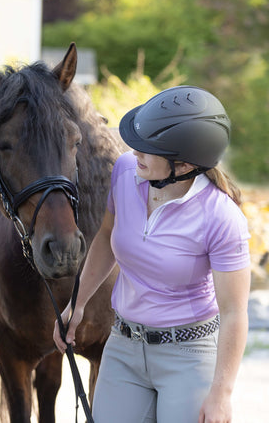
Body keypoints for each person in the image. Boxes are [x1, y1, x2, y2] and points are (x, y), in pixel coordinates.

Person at [53, 86, 251, 423]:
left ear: (184, 164)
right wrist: (79, 302)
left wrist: (222, 394)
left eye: (148, 148)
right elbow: (105, 237)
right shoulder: (126, 171)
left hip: (188, 356)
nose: (134, 151)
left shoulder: (221, 218)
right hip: (124, 346)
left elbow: (234, 313)